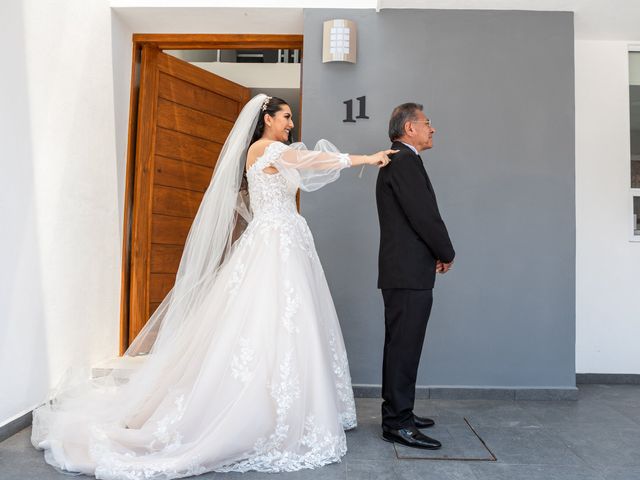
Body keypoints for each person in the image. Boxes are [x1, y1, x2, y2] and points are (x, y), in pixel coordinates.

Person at [31, 94, 395, 478]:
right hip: (275, 244)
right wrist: (365, 159)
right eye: (286, 117)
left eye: (290, 119)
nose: (291, 124)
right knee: (272, 320)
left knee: (287, 322)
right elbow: (311, 160)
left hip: (285, 240)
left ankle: (292, 406)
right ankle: (261, 412)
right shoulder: (266, 149)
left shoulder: (270, 153)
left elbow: (287, 178)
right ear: (267, 119)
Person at [375, 102, 455, 450]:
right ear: (409, 128)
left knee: (401, 346)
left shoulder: (400, 159)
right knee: (404, 348)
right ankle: (397, 423)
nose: (432, 128)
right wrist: (446, 252)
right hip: (407, 272)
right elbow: (424, 216)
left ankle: (399, 412)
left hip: (405, 270)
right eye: (427, 123)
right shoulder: (404, 161)